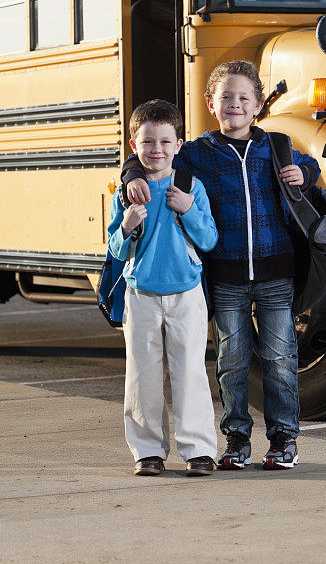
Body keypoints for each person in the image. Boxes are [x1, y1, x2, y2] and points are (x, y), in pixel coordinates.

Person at [122, 61, 320, 470]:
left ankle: (284, 439)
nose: (235, 104)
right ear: (211, 104)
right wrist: (129, 174)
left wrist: (304, 171)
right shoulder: (198, 152)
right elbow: (154, 156)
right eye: (226, 97)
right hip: (225, 274)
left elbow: (312, 166)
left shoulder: (276, 145)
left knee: (280, 359)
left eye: (244, 98)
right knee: (231, 361)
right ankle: (236, 439)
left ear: (258, 105)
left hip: (275, 271)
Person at [107, 99, 218, 477]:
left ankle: (199, 450)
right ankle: (148, 452)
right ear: (134, 147)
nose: (157, 150)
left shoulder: (190, 187)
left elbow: (209, 239)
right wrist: (125, 224)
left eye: (165, 142)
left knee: (190, 372)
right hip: (141, 296)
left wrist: (188, 208)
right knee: (142, 377)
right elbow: (115, 249)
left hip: (186, 294)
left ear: (179, 145)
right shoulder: (127, 193)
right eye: (148, 142)